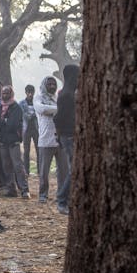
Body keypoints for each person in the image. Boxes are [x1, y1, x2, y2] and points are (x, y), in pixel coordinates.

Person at [0, 85, 30, 198]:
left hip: (14, 141)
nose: (5, 95)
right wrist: (3, 121)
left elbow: (12, 125)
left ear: (11, 94)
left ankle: (24, 190)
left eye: (7, 93)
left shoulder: (16, 107)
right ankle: (11, 189)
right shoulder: (0, 107)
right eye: (3, 93)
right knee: (6, 166)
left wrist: (1, 121)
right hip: (3, 141)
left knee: (18, 166)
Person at [35, 75, 65, 207]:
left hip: (60, 139)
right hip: (45, 140)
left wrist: (56, 110)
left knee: (62, 170)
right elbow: (42, 109)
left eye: (54, 84)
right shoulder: (38, 98)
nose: (52, 86)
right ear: (44, 85)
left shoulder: (57, 98)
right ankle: (43, 195)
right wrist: (59, 110)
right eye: (49, 84)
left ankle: (61, 195)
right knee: (44, 171)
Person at [55, 64, 79, 215]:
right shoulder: (66, 96)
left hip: (71, 135)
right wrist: (59, 136)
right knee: (74, 169)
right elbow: (58, 119)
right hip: (68, 135)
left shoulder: (70, 94)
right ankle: (62, 200)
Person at [19, 84, 39, 176]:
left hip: (36, 129)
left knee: (38, 150)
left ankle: (40, 170)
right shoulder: (22, 103)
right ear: (26, 92)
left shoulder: (37, 102)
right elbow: (22, 115)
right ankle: (26, 171)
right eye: (28, 92)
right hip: (26, 129)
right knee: (26, 151)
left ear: (34, 92)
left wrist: (31, 115)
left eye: (32, 92)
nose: (30, 94)